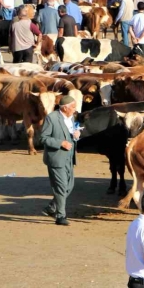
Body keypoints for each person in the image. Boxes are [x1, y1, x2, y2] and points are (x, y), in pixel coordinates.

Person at [39, 96, 80, 226]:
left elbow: (71, 134)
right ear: (65, 107)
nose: (75, 109)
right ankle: (60, 216)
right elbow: (43, 138)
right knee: (61, 187)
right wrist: (60, 143)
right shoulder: (51, 118)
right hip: (56, 158)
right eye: (73, 107)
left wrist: (76, 135)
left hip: (69, 157)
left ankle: (51, 207)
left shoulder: (71, 118)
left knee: (70, 186)